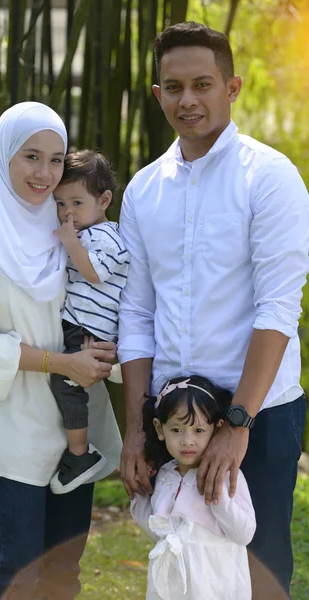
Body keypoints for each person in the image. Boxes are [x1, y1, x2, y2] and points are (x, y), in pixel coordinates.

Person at [118, 21, 309, 596]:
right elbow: (136, 316)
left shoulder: (270, 178)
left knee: (259, 566)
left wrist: (238, 423)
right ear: (158, 95)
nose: (188, 100)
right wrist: (135, 429)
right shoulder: (143, 190)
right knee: (185, 569)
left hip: (258, 414)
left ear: (233, 87)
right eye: (173, 87)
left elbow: (278, 309)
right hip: (174, 418)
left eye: (203, 83)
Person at [0, 102, 122, 600]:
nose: (45, 174)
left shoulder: (66, 226)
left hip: (71, 429)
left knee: (63, 571)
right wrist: (65, 363)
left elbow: (103, 303)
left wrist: (108, 358)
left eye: (56, 160)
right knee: (15, 569)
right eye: (31, 157)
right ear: (2, 155)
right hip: (11, 428)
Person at [131, 375, 256, 600]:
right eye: (177, 430)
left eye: (198, 431)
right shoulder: (165, 475)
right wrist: (139, 499)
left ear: (216, 429)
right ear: (160, 429)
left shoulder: (227, 476)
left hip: (214, 585)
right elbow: (159, 533)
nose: (187, 441)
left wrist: (219, 498)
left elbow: (244, 534)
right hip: (171, 586)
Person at [50, 150, 129, 494]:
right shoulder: (83, 234)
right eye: (60, 203)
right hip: (79, 323)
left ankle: (80, 453)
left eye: (77, 203)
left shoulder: (108, 236)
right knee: (65, 386)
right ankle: (77, 449)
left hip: (89, 329)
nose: (67, 212)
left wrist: (69, 242)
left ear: (104, 200)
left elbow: (95, 273)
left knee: (66, 386)